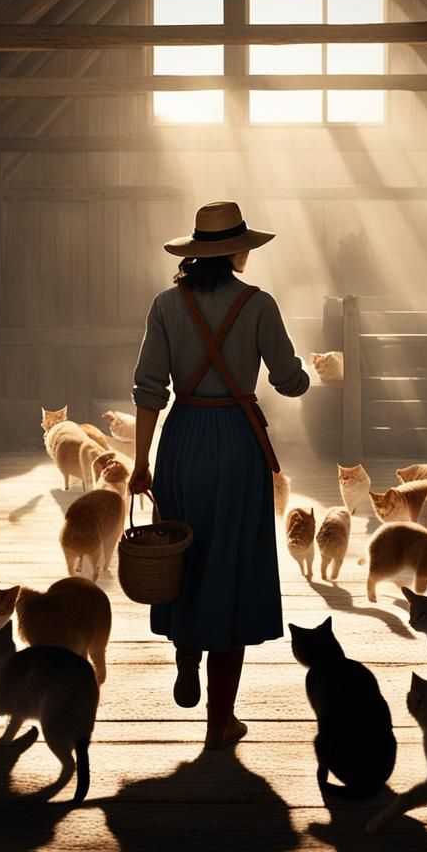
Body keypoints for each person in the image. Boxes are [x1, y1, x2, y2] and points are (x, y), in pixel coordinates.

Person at [129, 200, 309, 749]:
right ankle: (219, 721)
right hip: (236, 444)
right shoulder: (258, 304)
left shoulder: (166, 304)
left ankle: (186, 653)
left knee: (183, 554)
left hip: (182, 440)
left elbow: (148, 390)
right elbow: (288, 381)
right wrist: (304, 375)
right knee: (231, 570)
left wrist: (141, 464)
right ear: (236, 252)